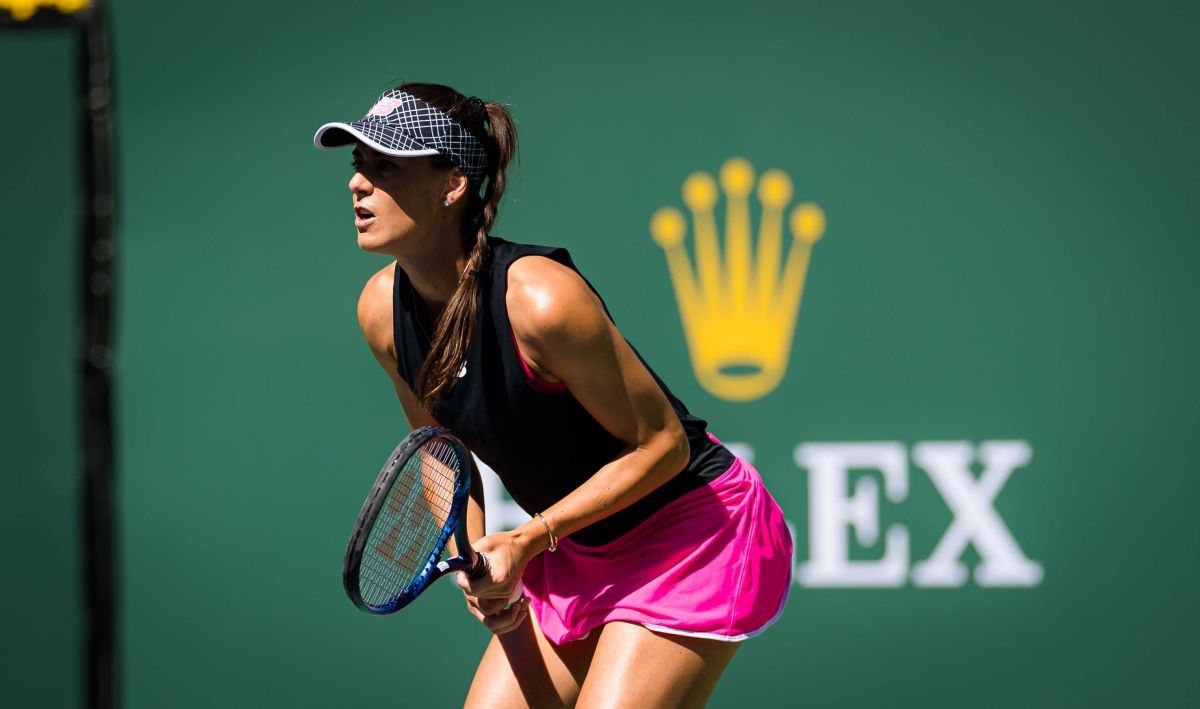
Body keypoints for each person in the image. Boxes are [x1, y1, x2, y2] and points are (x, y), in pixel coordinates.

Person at [314, 82, 792, 707]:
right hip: (578, 548)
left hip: (691, 533)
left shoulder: (540, 299)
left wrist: (528, 539)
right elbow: (439, 453)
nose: (358, 184)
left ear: (451, 185)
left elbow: (663, 447)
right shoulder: (380, 310)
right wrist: (476, 552)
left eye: (386, 167)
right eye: (359, 166)